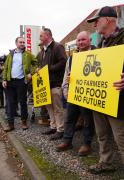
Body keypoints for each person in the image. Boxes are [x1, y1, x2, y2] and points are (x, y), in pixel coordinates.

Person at [87, 6, 124, 174]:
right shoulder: (100, 44)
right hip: (101, 98)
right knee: (101, 134)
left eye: (97, 20)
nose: (94, 25)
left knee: (120, 137)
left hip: (118, 101)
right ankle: (106, 162)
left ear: (109, 19)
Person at [56, 31, 95, 156]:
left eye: (83, 39)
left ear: (90, 40)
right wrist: (65, 90)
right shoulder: (72, 58)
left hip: (88, 94)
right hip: (74, 93)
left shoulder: (98, 54)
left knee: (88, 120)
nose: (81, 42)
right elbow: (66, 75)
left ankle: (86, 144)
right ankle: (67, 141)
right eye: (78, 40)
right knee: (69, 118)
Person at [2, 37, 38, 132]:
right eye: (20, 42)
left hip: (22, 81)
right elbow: (6, 67)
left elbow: (36, 63)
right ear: (16, 43)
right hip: (10, 82)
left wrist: (32, 72)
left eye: (23, 42)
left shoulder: (28, 54)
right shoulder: (10, 54)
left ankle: (24, 122)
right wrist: (4, 79)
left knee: (22, 102)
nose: (22, 44)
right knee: (10, 103)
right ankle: (10, 124)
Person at [39, 28, 67, 141]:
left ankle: (60, 130)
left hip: (55, 84)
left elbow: (64, 61)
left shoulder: (57, 46)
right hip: (46, 85)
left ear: (47, 36)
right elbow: (43, 67)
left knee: (57, 108)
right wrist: (40, 70)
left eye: (41, 35)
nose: (39, 37)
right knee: (49, 107)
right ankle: (53, 126)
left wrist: (48, 69)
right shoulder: (43, 51)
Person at [36, 43, 50, 126]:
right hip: (42, 77)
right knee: (43, 98)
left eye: (42, 45)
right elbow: (35, 64)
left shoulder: (48, 52)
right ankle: (44, 118)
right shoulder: (39, 54)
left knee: (48, 99)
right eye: (40, 45)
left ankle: (47, 117)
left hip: (48, 77)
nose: (41, 46)